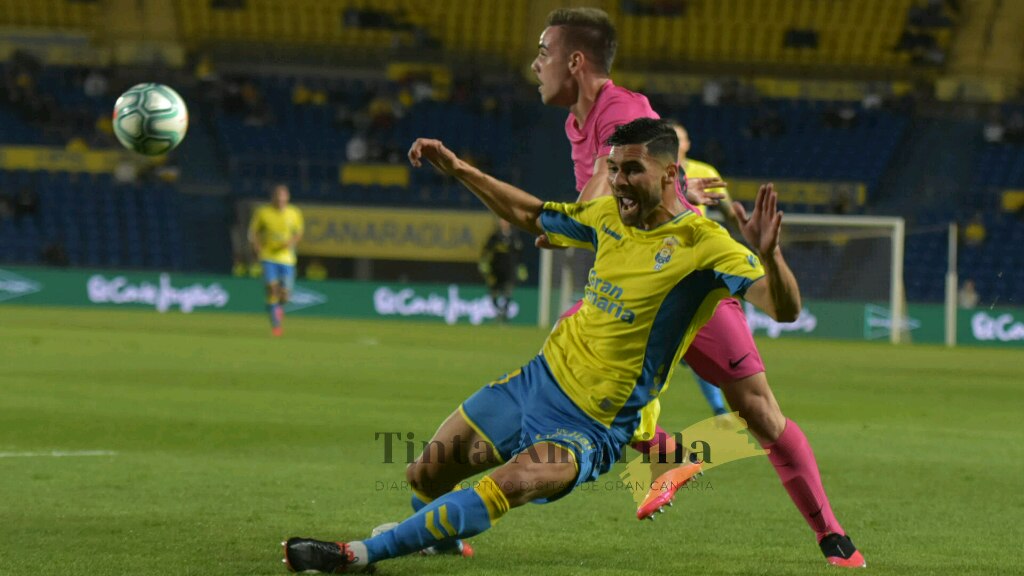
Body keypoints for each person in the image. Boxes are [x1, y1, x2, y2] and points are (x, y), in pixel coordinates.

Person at [283, 119, 799, 574]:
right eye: (614, 169)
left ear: (670, 174)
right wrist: (459, 169)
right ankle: (443, 543)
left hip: (592, 426)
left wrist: (770, 256)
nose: (618, 181)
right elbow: (529, 213)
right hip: (535, 383)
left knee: (507, 485)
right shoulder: (606, 217)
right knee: (424, 473)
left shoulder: (704, 245)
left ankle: (357, 555)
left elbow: (782, 309)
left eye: (632, 170)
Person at [529, 7, 864, 567]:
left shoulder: (623, 109)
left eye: (544, 52)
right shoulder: (574, 124)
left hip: (686, 280)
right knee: (573, 365)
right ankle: (665, 453)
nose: (535, 65)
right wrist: (570, 228)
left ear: (576, 61)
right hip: (630, 283)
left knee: (759, 412)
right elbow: (608, 204)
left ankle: (831, 533)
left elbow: (601, 193)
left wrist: (562, 226)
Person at [670, 120, 738, 419]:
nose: (675, 143)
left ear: (688, 143)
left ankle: (719, 406)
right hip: (660, 258)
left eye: (680, 138)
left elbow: (728, 209)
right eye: (670, 137)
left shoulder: (705, 172)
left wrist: (742, 224)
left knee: (698, 331)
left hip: (698, 260)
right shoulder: (651, 171)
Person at [247, 184, 303, 337]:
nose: (280, 200)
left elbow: (298, 232)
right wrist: (257, 247)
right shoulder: (263, 212)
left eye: (283, 197)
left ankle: (279, 307)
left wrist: (290, 243)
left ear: (287, 197)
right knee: (272, 289)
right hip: (268, 257)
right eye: (278, 197)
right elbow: (253, 231)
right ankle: (276, 326)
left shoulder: (294, 213)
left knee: (285, 295)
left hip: (287, 259)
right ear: (273, 197)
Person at [479, 219, 527, 323]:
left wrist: (520, 267)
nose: (503, 223)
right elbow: (486, 250)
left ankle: (504, 311)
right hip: (495, 268)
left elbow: (519, 253)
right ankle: (497, 310)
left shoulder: (514, 236)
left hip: (509, 268)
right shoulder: (495, 236)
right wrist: (484, 263)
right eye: (501, 221)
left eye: (505, 221)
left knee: (508, 290)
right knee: (494, 291)